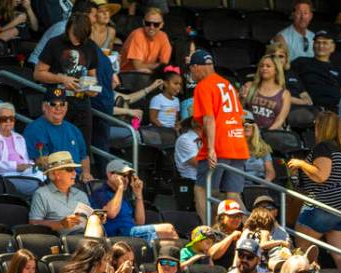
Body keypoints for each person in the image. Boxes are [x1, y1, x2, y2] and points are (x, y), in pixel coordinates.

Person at [289, 112, 341, 271]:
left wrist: (301, 163)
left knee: (301, 250)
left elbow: (321, 175)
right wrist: (295, 175)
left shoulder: (323, 147)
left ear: (319, 126)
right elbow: (310, 183)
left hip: (327, 204)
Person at [189, 49, 249, 223]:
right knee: (234, 196)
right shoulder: (227, 84)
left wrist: (211, 148)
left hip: (220, 144)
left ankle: (208, 231)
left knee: (202, 190)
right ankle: (257, 230)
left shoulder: (203, 86)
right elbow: (239, 115)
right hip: (238, 144)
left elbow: (209, 118)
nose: (191, 75)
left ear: (195, 67)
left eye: (190, 70)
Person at [34, 10, 97, 150]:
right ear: (68, 28)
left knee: (83, 147)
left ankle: (83, 172)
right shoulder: (55, 43)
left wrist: (91, 88)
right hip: (57, 102)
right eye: (74, 35)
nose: (76, 40)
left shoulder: (90, 46)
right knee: (57, 146)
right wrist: (61, 78)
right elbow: (38, 73)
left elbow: (93, 76)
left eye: (80, 38)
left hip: (82, 103)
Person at [90, 159, 176, 241]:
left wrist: (138, 195)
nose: (126, 180)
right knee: (168, 229)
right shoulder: (100, 193)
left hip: (131, 233)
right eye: (123, 176)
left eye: (128, 176)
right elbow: (111, 213)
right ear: (110, 175)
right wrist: (120, 187)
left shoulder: (122, 196)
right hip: (118, 235)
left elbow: (140, 222)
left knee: (165, 242)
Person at [23, 88, 91, 178]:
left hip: (77, 179)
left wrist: (86, 172)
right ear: (44, 107)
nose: (58, 108)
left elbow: (84, 157)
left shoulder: (73, 129)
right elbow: (40, 160)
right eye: (53, 104)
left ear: (66, 107)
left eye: (62, 104)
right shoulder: (34, 129)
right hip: (55, 178)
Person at [29, 151, 95, 235]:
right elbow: (33, 223)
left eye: (74, 169)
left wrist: (96, 220)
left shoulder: (81, 194)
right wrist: (60, 224)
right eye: (70, 170)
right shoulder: (41, 194)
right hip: (60, 243)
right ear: (57, 174)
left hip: (87, 239)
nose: (75, 173)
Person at [0, 102, 44, 190]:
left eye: (11, 118)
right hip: (6, 174)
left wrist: (32, 165)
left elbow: (25, 159)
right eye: (4, 119)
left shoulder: (19, 137)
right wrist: (16, 167)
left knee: (45, 177)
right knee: (39, 185)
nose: (8, 121)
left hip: (25, 173)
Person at [291, 31, 341, 111]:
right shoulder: (301, 62)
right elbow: (287, 76)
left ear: (333, 47)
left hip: (333, 110)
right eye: (317, 43)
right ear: (313, 46)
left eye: (325, 43)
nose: (320, 46)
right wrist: (301, 91)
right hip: (308, 108)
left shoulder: (338, 69)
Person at [241, 54, 291, 131]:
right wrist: (242, 97)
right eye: (261, 66)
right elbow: (240, 110)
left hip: (271, 135)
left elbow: (280, 120)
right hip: (248, 133)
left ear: (276, 70)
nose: (264, 68)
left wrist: (266, 134)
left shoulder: (285, 94)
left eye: (268, 66)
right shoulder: (249, 86)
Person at [119, 7, 171, 73]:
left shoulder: (163, 36)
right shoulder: (137, 35)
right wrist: (158, 66)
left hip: (146, 75)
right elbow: (138, 67)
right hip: (127, 74)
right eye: (148, 23)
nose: (151, 27)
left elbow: (164, 64)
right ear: (143, 22)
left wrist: (160, 66)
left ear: (162, 25)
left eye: (156, 24)